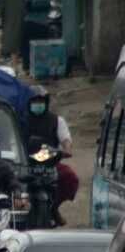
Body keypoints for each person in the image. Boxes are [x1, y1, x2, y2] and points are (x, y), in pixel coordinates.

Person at [25, 85, 78, 225]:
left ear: (46, 103)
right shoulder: (20, 120)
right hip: (25, 162)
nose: (38, 104)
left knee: (70, 177)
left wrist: (67, 149)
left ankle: (54, 208)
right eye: (35, 101)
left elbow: (65, 139)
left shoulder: (56, 120)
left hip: (49, 162)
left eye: (41, 101)